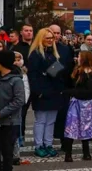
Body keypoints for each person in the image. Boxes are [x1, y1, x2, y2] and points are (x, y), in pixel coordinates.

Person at [27, 28, 66, 158]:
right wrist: (38, 92)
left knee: (51, 121)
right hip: (42, 93)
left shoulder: (53, 53)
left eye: (51, 38)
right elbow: (32, 76)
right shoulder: (36, 54)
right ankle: (39, 145)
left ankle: (48, 144)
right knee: (41, 120)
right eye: (47, 38)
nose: (50, 40)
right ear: (41, 38)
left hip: (53, 91)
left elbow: (55, 73)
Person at [63, 50, 92, 162]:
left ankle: (85, 152)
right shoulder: (77, 70)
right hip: (77, 102)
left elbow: (89, 91)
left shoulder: (91, 73)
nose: (77, 58)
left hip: (85, 103)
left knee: (84, 126)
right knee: (72, 125)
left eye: (79, 56)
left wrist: (70, 92)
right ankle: (69, 153)